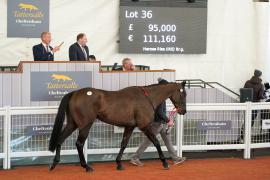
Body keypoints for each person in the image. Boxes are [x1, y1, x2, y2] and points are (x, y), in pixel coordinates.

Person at [130, 78, 186, 166]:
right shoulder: (159, 97)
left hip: (161, 123)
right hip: (157, 123)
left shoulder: (159, 96)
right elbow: (159, 112)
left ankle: (175, 158)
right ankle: (135, 157)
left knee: (167, 141)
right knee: (148, 141)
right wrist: (168, 121)